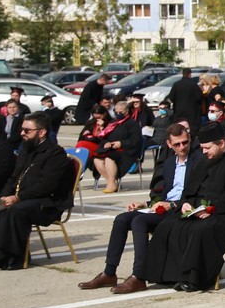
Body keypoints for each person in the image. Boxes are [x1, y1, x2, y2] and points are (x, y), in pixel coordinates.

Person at [113, 123, 225, 293]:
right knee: (167, 226)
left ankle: (194, 279)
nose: (204, 152)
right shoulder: (204, 162)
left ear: (221, 143)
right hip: (196, 212)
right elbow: (189, 191)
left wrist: (210, 209)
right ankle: (162, 276)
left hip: (224, 217)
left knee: (200, 231)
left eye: (207, 148)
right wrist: (186, 204)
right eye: (202, 148)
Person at [78, 122, 205, 290]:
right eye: (177, 144)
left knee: (139, 222)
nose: (182, 147)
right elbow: (165, 192)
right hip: (164, 206)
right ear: (169, 144)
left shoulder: (199, 160)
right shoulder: (169, 164)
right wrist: (145, 203)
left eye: (185, 142)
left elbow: (197, 194)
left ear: (189, 139)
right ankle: (109, 273)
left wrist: (172, 204)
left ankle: (139, 276)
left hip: (180, 209)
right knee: (121, 219)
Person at [0, 113, 73, 270]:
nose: (22, 133)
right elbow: (12, 179)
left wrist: (17, 198)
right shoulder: (26, 151)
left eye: (27, 130)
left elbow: (47, 186)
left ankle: (15, 258)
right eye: (21, 129)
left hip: (46, 203)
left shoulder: (55, 153)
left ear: (42, 132)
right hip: (19, 198)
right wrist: (3, 196)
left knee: (13, 211)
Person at [89, 100, 139, 193]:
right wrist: (107, 142)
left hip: (125, 150)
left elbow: (135, 140)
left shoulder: (132, 123)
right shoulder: (113, 122)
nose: (118, 113)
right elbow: (105, 136)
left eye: (121, 112)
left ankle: (111, 183)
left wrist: (121, 143)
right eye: (116, 111)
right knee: (97, 159)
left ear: (126, 112)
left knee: (109, 158)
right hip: (111, 148)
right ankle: (110, 181)